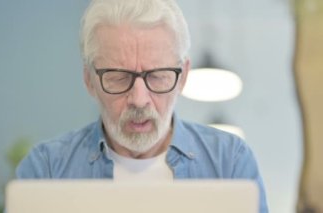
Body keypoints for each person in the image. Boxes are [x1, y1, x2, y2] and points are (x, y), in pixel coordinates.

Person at [16, 0, 268, 212]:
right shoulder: (47, 168)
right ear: (89, 80)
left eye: (157, 76)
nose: (139, 99)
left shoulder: (229, 162)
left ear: (183, 77)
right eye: (118, 77)